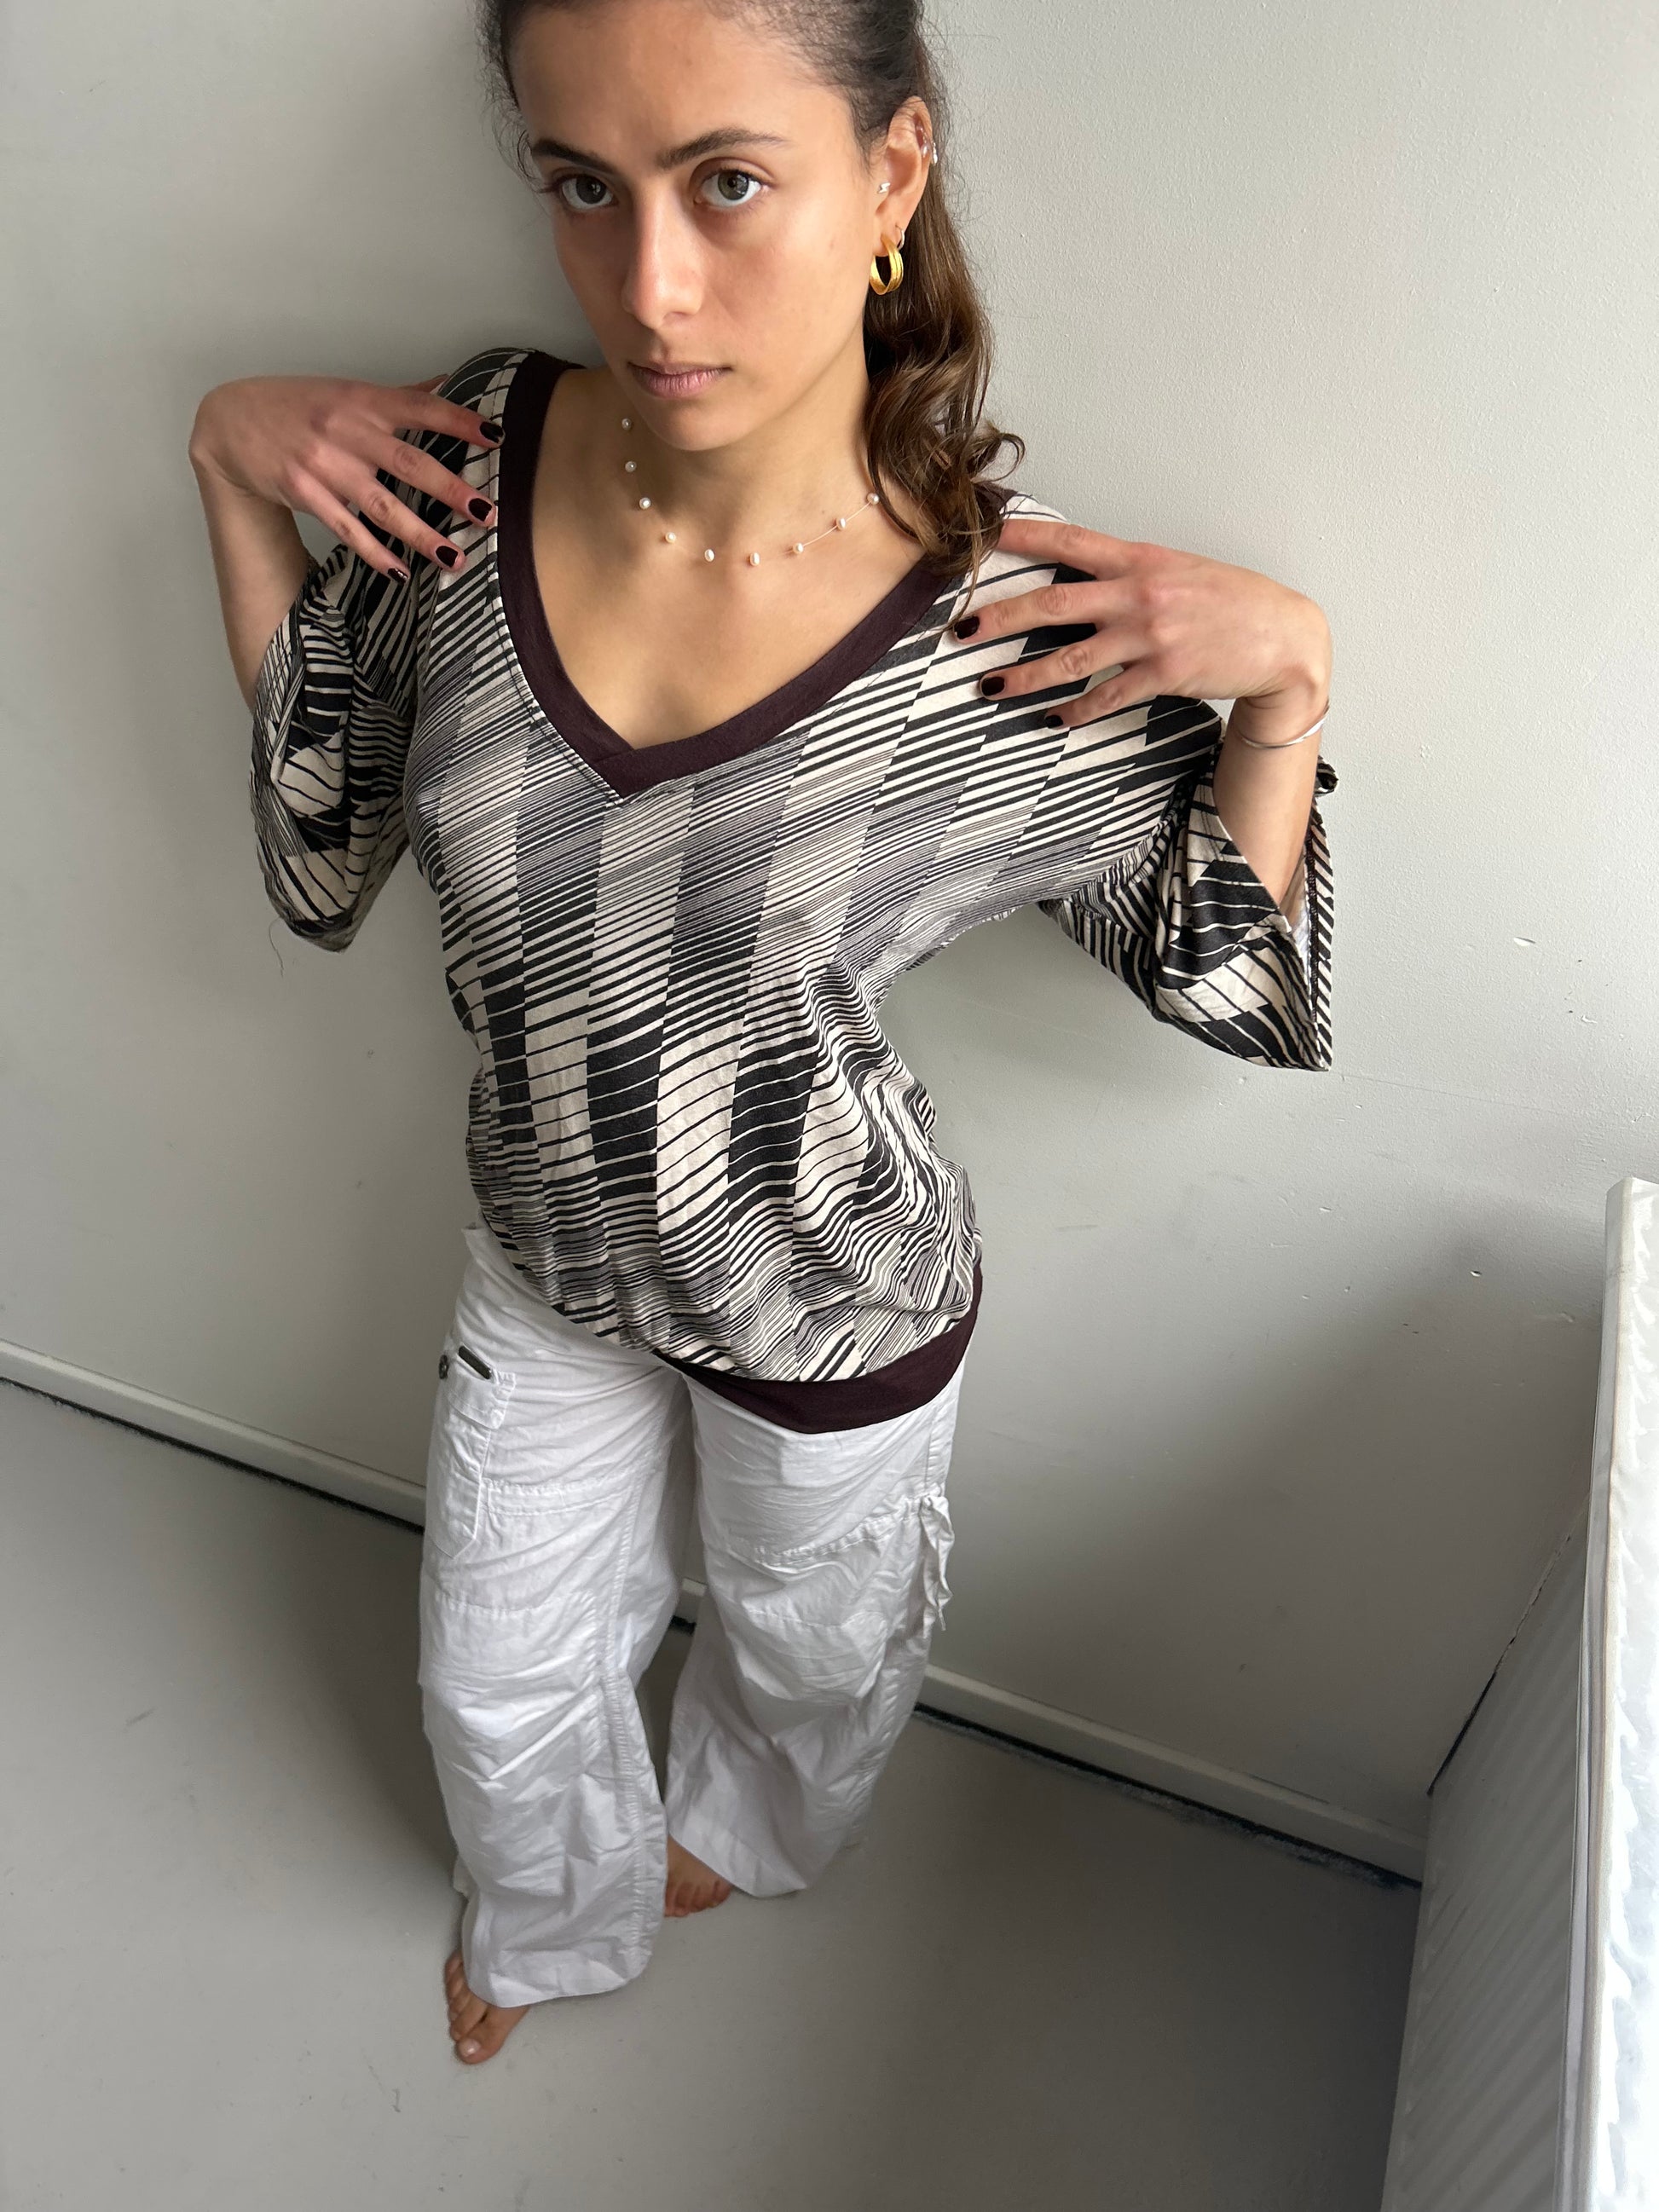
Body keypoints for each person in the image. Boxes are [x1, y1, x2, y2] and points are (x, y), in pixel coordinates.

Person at [188, 0, 1336, 2068]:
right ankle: (550, 1915)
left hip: (830, 1289)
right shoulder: (467, 467)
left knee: (809, 1648)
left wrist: (1286, 693)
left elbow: (1232, 985)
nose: (649, 286)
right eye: (583, 185)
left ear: (889, 175)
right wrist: (227, 461)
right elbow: (320, 851)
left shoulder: (1003, 641)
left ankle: (753, 1828)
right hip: (544, 1249)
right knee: (493, 1674)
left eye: (727, 182)